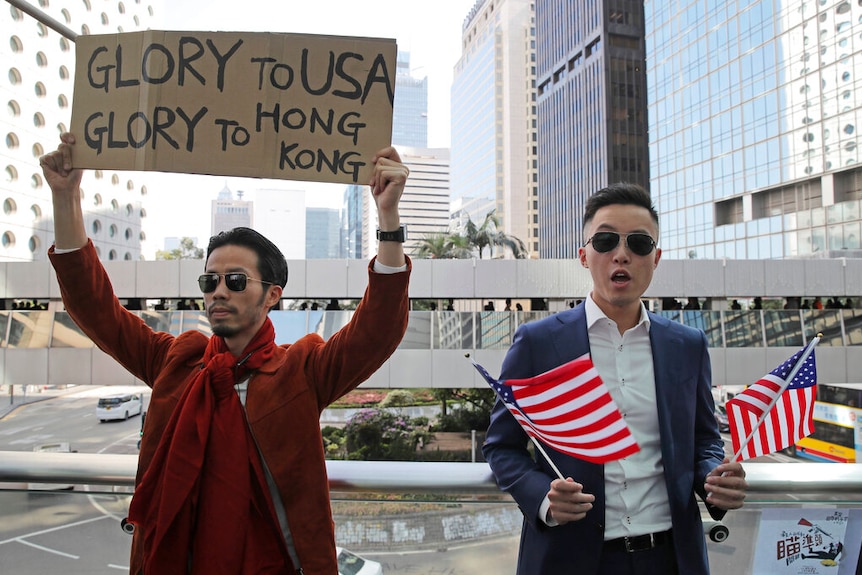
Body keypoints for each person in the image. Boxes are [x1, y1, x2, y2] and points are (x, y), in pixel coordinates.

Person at [40, 132, 411, 575]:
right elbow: (95, 309)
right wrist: (66, 198)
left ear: (272, 295)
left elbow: (378, 330)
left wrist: (388, 216)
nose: (218, 291)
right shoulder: (175, 361)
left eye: (235, 281)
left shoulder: (302, 369)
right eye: (209, 281)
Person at [483, 183, 747, 575]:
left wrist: (715, 476)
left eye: (639, 244)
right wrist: (543, 498)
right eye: (605, 240)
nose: (621, 254)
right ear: (584, 256)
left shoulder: (687, 345)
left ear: (656, 258)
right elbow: (502, 446)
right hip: (569, 556)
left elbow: (704, 438)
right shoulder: (538, 343)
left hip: (671, 557)